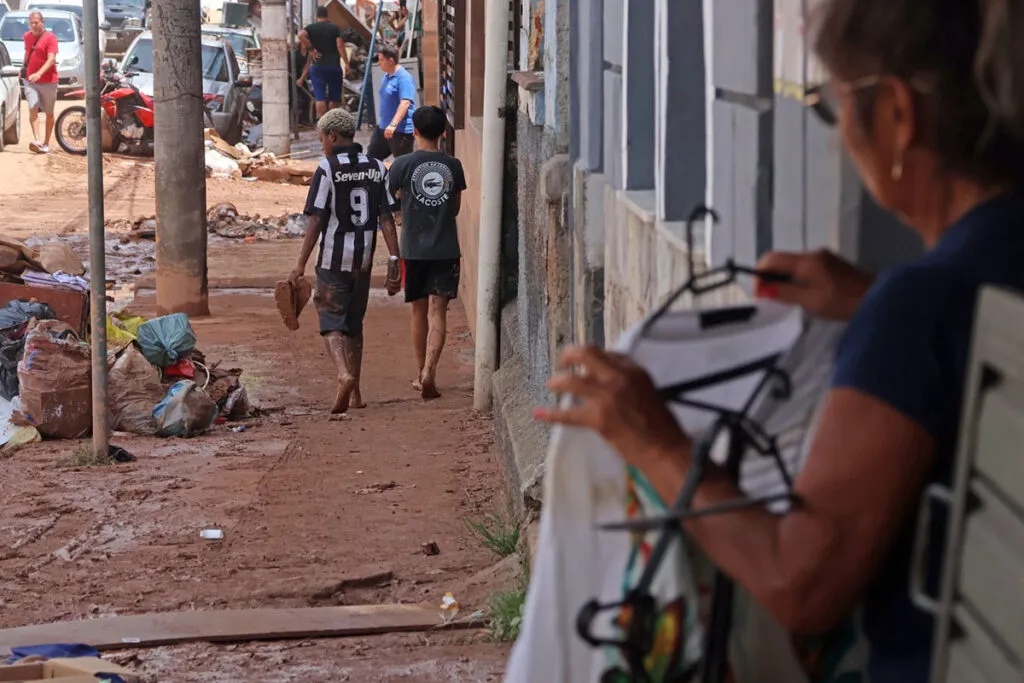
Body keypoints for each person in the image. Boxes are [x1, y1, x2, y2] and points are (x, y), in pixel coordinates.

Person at [534, 1, 1024, 682]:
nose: (839, 133)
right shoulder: (974, 273)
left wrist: (657, 443)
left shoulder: (919, 307)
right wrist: (872, 300)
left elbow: (800, 583)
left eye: (833, 107)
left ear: (897, 115)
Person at [289, 109, 403, 414]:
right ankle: (356, 393)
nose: (322, 144)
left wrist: (300, 264)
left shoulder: (327, 168)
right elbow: (387, 218)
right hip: (364, 260)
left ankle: (343, 374)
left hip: (332, 261)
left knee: (331, 322)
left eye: (321, 138)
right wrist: (394, 259)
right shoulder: (377, 167)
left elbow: (316, 219)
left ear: (332, 136)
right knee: (355, 325)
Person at [388, 105, 466, 399]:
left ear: (415, 131)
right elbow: (455, 208)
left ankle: (421, 372)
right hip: (446, 248)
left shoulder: (401, 165)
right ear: (443, 132)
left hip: (414, 249)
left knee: (418, 311)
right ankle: (431, 369)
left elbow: (394, 201)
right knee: (439, 311)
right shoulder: (453, 166)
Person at [298, 6, 350, 120]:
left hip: (317, 67)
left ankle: (322, 124)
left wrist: (311, 49)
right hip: (333, 67)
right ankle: (331, 122)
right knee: (334, 98)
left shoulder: (310, 28)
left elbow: (301, 35)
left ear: (317, 16)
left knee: (320, 98)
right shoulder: (334, 28)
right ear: (327, 15)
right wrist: (346, 63)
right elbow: (340, 45)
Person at [368, 43, 416, 162]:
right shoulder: (386, 76)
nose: (379, 63)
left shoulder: (404, 78)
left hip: (399, 131)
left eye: (381, 60)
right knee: (371, 159)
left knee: (402, 164)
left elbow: (405, 103)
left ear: (391, 61)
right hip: (383, 128)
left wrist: (393, 124)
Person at [22, 11, 58, 155]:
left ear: (43, 22)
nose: (34, 25)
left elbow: (51, 59)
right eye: (31, 23)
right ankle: (37, 141)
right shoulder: (26, 36)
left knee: (49, 113)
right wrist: (24, 69)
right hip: (30, 80)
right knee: (33, 107)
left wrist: (39, 73)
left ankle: (46, 143)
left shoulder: (51, 37)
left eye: (36, 22)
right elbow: (28, 53)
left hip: (48, 81)